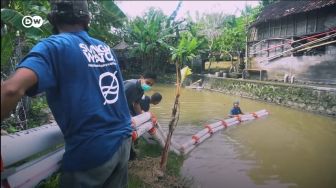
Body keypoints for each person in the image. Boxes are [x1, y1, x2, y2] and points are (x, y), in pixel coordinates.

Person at [1, 1, 132, 187]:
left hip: (91, 150)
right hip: (122, 141)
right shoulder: (105, 48)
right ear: (87, 19)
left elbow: (11, 89)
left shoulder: (53, 46)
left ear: (53, 19)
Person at [123, 73, 157, 160]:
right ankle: (128, 155)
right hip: (114, 109)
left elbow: (136, 104)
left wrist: (142, 118)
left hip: (124, 111)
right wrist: (128, 115)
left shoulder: (141, 89)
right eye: (148, 82)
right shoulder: (131, 85)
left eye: (151, 85)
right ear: (142, 78)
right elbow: (118, 100)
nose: (149, 86)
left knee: (132, 128)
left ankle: (130, 154)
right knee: (128, 129)